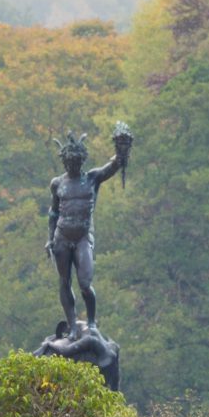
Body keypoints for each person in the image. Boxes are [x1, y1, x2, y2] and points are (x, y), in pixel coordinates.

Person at [45, 126, 132, 333]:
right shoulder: (57, 184)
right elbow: (53, 212)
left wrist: (121, 150)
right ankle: (73, 325)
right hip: (62, 237)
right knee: (64, 281)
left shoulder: (92, 178)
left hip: (83, 236)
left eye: (75, 162)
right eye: (68, 162)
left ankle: (92, 322)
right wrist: (49, 238)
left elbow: (113, 166)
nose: (72, 165)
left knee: (85, 282)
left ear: (81, 161)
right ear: (64, 162)